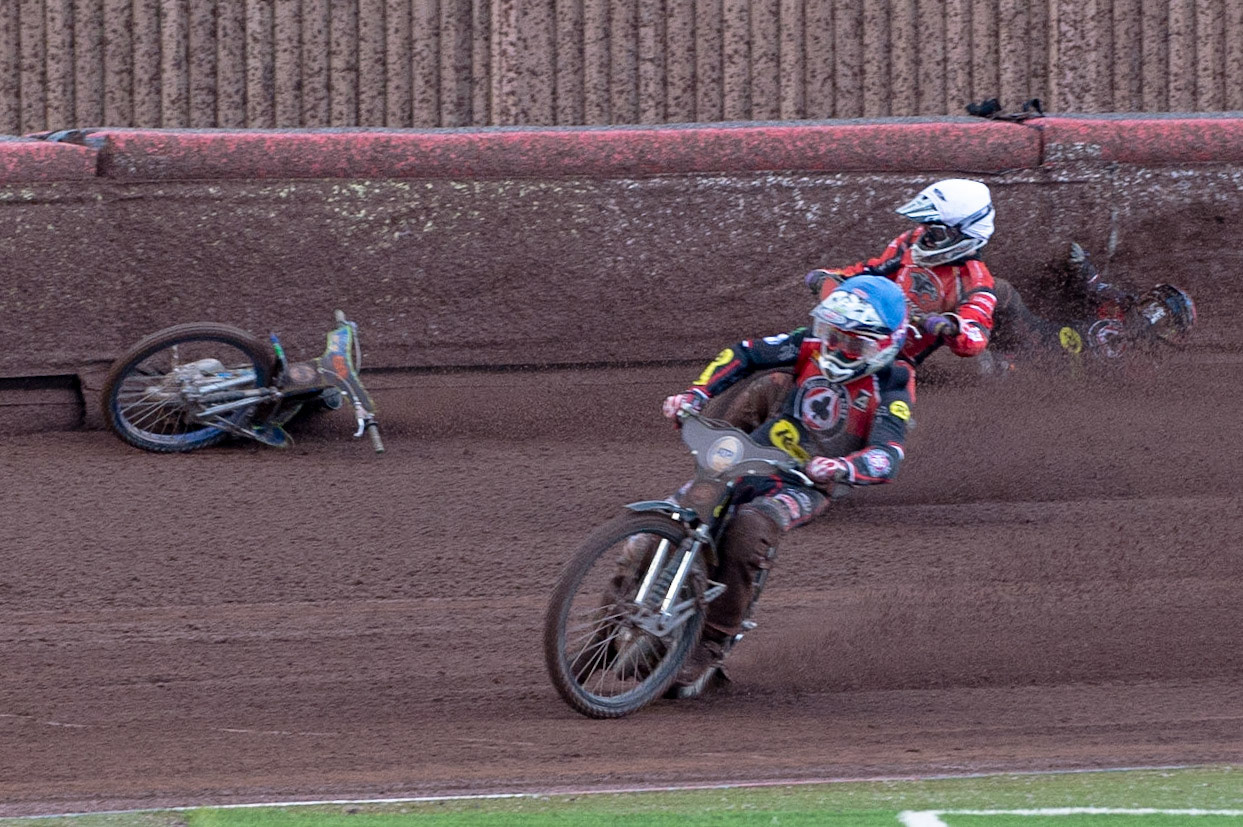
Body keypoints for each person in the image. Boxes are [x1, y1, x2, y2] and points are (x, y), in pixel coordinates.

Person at [657, 275, 914, 698]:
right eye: (832, 334)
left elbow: (889, 455)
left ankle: (711, 642)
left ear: (883, 344)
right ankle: (617, 607)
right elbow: (746, 353)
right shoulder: (810, 344)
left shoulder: (893, 383)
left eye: (852, 343)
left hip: (809, 480)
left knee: (749, 529)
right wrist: (696, 393)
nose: (835, 347)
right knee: (681, 509)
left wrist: (842, 467)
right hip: (756, 453)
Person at [803, 178, 999, 382]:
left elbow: (976, 335)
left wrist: (952, 326)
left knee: (890, 390)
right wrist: (831, 276)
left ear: (965, 234)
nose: (927, 236)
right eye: (926, 227)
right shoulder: (911, 242)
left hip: (899, 357)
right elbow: (872, 271)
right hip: (862, 330)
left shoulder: (976, 281)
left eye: (936, 231)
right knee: (804, 342)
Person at [986, 242, 1197, 370]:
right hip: (1034, 331)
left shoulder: (1145, 363)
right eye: (1154, 308)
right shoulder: (1122, 305)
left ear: (1168, 334)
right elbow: (1094, 285)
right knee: (1001, 290)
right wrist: (1081, 264)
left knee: (990, 365)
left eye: (1161, 319)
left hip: (1035, 367)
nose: (1152, 317)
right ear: (1147, 298)